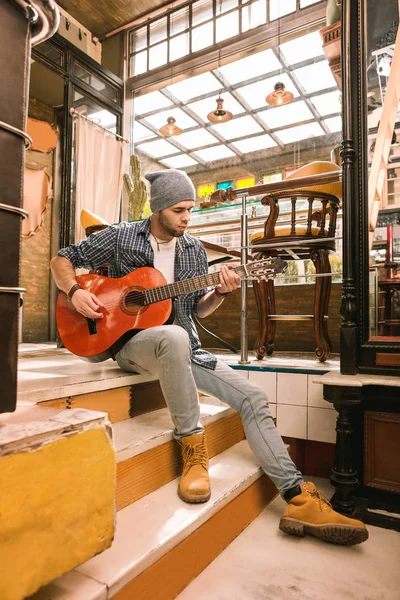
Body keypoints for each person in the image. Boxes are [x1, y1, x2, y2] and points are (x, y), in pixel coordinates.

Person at [51, 169, 368, 546]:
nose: (187, 217)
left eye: (191, 209)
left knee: (253, 397)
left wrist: (220, 293)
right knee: (170, 336)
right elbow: (62, 258)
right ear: (157, 209)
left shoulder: (194, 250)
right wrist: (74, 291)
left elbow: (198, 311)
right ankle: (193, 449)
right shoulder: (120, 237)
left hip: (186, 346)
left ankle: (297, 494)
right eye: (180, 209)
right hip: (131, 345)